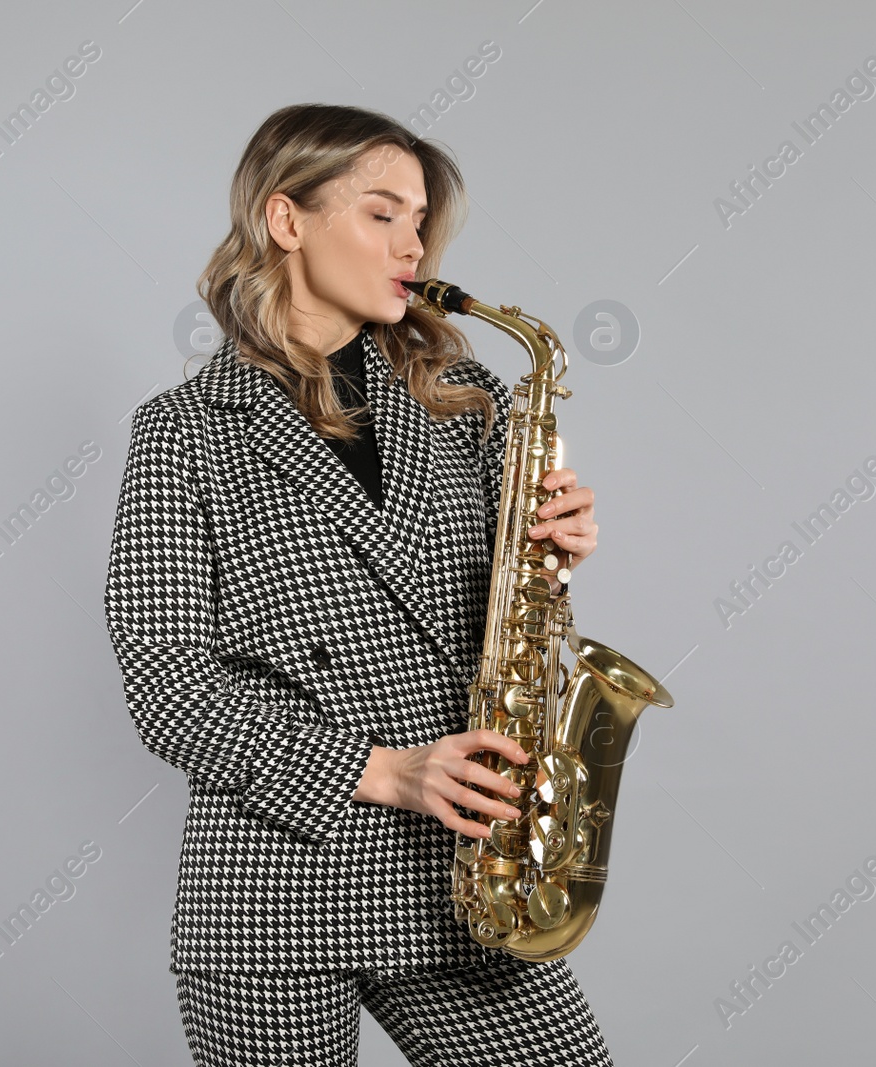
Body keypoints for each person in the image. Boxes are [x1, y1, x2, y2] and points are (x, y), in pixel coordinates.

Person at [104, 103, 611, 1067]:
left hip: (464, 870)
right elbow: (167, 687)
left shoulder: (474, 405)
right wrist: (382, 771)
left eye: (420, 220)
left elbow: (516, 630)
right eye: (382, 214)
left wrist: (555, 556)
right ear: (286, 221)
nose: (412, 244)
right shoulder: (185, 432)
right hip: (274, 890)